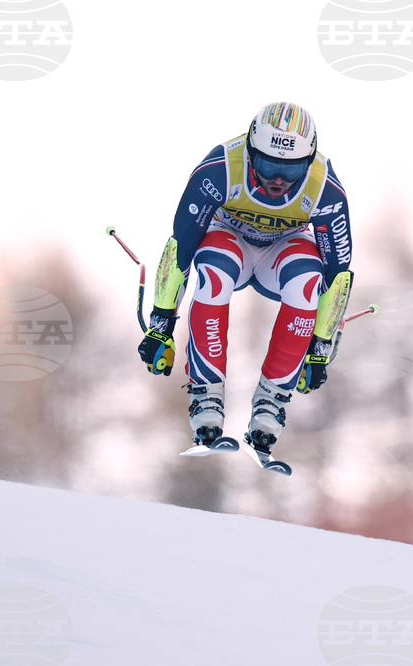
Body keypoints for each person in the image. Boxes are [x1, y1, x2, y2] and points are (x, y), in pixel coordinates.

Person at [138, 102, 353, 462]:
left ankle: (272, 399)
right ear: (251, 151)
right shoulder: (220, 168)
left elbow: (338, 274)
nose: (279, 180)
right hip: (229, 239)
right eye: (269, 165)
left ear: (311, 160)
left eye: (292, 169)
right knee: (212, 271)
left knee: (307, 281)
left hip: (283, 249)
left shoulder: (324, 188)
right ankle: (206, 393)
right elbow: (181, 248)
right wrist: (160, 327)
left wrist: (320, 347)